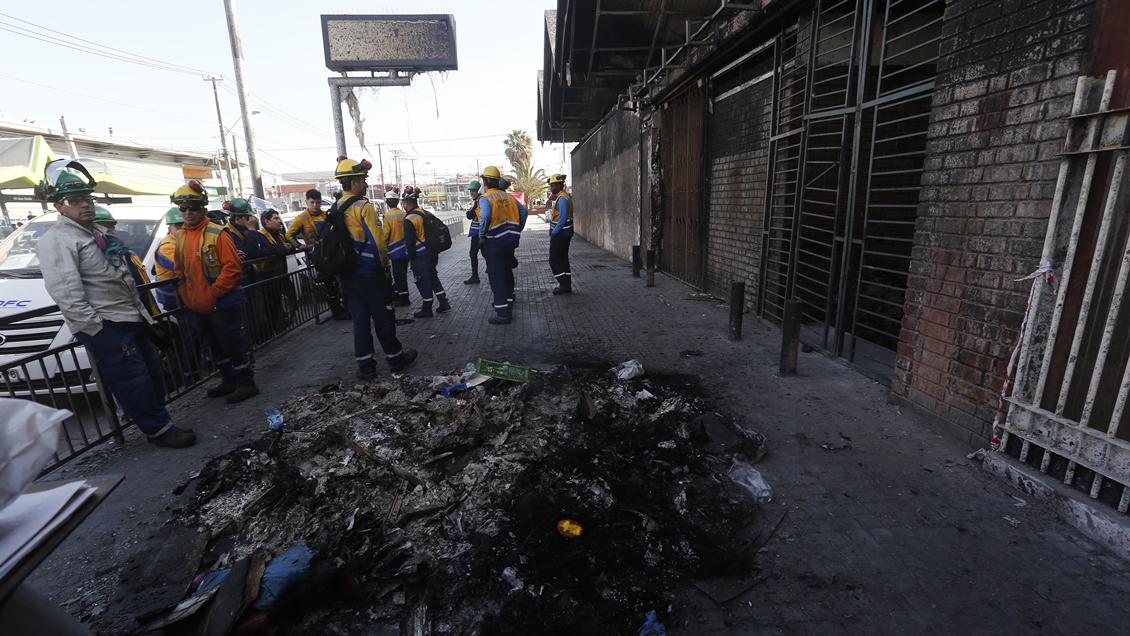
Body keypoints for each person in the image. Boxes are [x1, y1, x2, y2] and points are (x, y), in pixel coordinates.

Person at [34, 160, 195, 448]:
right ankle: (160, 431)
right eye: (75, 200)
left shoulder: (94, 232)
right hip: (108, 325)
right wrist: (99, 329)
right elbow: (67, 294)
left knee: (151, 375)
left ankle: (160, 422)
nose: (85, 205)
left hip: (128, 319)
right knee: (133, 381)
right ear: (58, 206)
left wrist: (147, 320)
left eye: (88, 199)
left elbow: (121, 281)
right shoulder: (58, 240)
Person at [172, 181, 259, 403]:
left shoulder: (217, 234)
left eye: (192, 206)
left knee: (233, 344)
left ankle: (247, 383)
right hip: (198, 304)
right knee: (216, 346)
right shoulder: (181, 236)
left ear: (203, 208)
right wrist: (186, 292)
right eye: (183, 208)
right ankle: (229, 380)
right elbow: (180, 268)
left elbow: (232, 267)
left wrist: (214, 293)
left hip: (221, 303)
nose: (187, 212)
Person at [332, 155, 417, 379]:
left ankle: (366, 368)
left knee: (360, 323)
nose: (366, 184)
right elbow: (378, 241)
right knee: (383, 318)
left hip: (348, 276)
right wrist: (386, 267)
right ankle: (396, 359)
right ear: (354, 183)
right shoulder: (363, 206)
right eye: (363, 180)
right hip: (370, 273)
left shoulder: (336, 207)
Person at [285, 188, 349, 320]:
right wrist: (299, 245)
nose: (315, 205)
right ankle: (337, 312)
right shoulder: (301, 218)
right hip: (318, 257)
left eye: (318, 202)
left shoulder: (326, 216)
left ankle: (345, 306)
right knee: (328, 283)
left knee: (341, 281)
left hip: (332, 254)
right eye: (312, 202)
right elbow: (289, 234)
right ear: (306, 202)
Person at [477, 166, 528, 325]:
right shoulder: (510, 197)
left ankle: (502, 313)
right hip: (510, 241)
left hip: (495, 242)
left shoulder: (485, 198)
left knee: (496, 275)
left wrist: (482, 235)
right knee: (506, 272)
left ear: (484, 181)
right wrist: (517, 229)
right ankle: (508, 302)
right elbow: (524, 212)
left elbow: (484, 217)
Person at [402, 185, 451, 318]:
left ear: (406, 203)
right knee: (433, 278)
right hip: (432, 253)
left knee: (423, 282)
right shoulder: (425, 213)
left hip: (420, 256)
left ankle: (427, 308)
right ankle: (444, 303)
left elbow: (410, 243)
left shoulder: (409, 220)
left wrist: (410, 258)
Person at [256, 208, 298, 334]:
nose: (280, 221)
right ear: (267, 221)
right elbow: (268, 251)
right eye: (276, 218)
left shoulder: (279, 235)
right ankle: (271, 333)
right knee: (268, 308)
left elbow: (291, 248)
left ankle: (279, 330)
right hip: (265, 278)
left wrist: (286, 248)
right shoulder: (261, 235)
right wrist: (282, 248)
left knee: (277, 305)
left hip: (278, 276)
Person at [382, 187, 412, 307]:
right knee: (402, 274)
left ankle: (404, 297)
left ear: (387, 202)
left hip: (395, 251)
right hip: (406, 249)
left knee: (399, 275)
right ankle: (399, 291)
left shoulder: (387, 216)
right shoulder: (404, 214)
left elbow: (384, 235)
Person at [547, 173, 575, 294]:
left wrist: (554, 232)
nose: (551, 188)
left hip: (561, 234)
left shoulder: (562, 199)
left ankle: (563, 283)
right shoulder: (565, 197)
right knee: (563, 258)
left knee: (554, 259)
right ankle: (566, 284)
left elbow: (562, 218)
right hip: (565, 233)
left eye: (552, 186)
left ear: (558, 186)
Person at [464, 180, 483, 284]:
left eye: (474, 191)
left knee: (473, 253)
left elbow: (470, 215)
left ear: (479, 191)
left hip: (479, 233)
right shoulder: (479, 200)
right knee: (484, 253)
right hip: (480, 232)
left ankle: (475, 276)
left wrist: (468, 213)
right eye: (471, 191)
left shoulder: (479, 201)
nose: (471, 193)